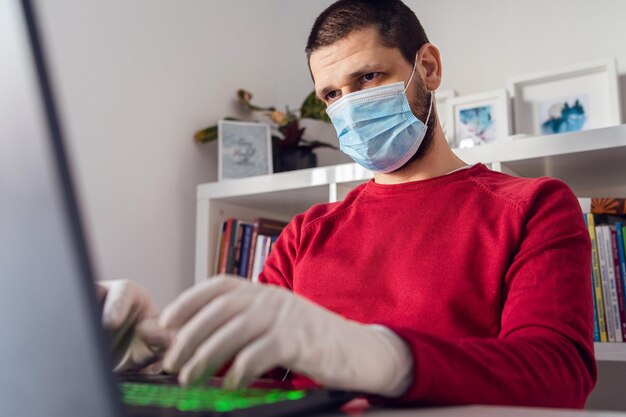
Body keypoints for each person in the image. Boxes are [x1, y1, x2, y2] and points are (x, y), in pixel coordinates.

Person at [100, 0, 596, 408]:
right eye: (331, 93)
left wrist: (379, 356)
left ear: (428, 67)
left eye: (368, 78)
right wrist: (160, 351)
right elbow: (240, 373)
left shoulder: (534, 206)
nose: (349, 106)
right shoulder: (307, 233)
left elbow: (557, 373)